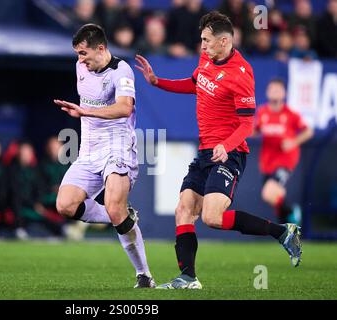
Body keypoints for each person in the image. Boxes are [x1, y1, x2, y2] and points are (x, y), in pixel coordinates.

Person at [135, 11, 302, 290]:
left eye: (206, 40)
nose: (202, 45)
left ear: (224, 41)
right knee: (184, 210)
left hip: (230, 153)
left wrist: (227, 145)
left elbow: (248, 124)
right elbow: (194, 84)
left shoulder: (241, 74)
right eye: (201, 39)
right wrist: (157, 82)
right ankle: (188, 278)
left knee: (212, 217)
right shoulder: (207, 59)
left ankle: (282, 231)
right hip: (205, 152)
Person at [54, 23, 155, 288]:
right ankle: (124, 215)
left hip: (118, 146)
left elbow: (124, 108)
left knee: (113, 205)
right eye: (78, 54)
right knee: (65, 205)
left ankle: (144, 275)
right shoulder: (81, 67)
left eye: (84, 53)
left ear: (101, 48)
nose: (80, 60)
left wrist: (85, 112)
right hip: (88, 149)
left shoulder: (122, 71)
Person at [255, 79, 313, 225]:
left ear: (284, 93)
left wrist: (294, 142)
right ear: (267, 92)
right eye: (272, 89)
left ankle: (292, 211)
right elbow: (255, 131)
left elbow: (308, 132)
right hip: (268, 161)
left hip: (286, 160)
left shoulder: (290, 114)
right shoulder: (262, 112)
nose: (274, 92)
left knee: (268, 192)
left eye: (278, 89)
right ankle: (285, 226)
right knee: (273, 196)